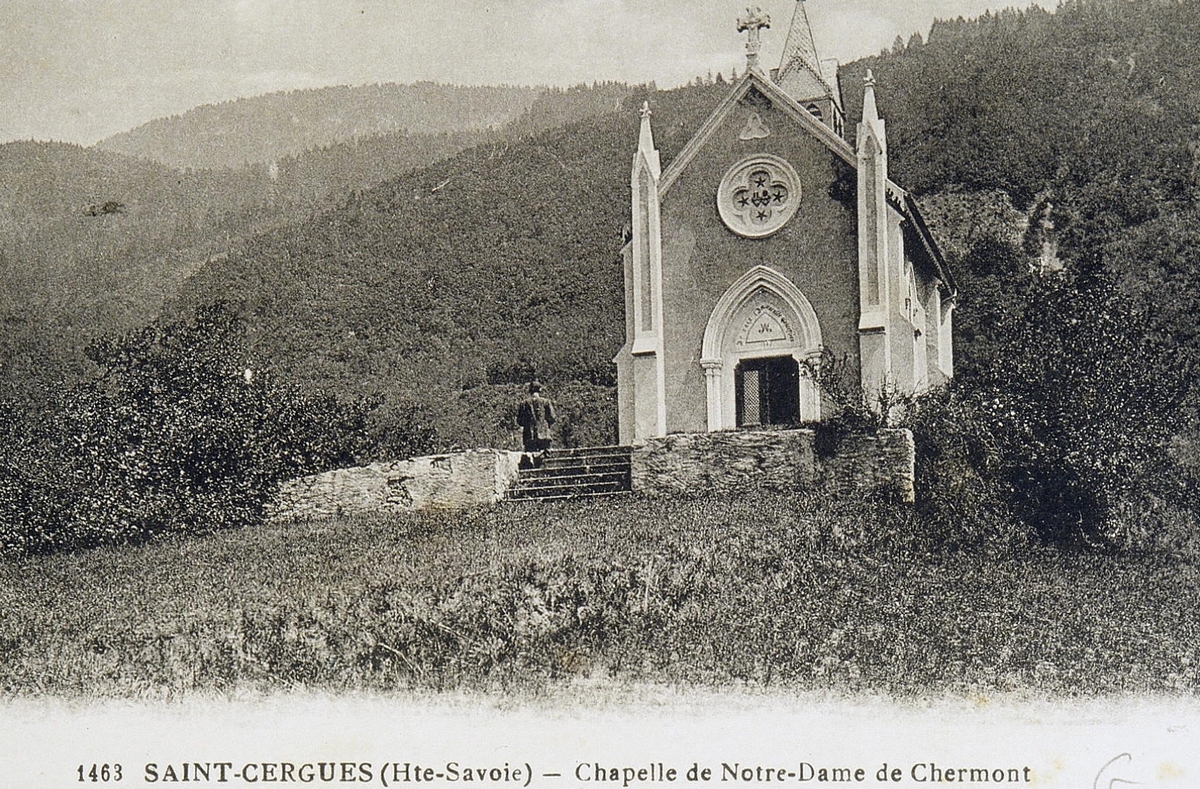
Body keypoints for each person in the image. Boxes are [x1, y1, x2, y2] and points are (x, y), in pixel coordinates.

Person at [516, 380, 556, 453]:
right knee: (545, 457)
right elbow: (552, 417)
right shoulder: (546, 402)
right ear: (540, 390)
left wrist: (527, 424)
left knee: (530, 459)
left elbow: (519, 421)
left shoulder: (524, 403)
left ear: (530, 390)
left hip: (529, 436)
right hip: (544, 435)